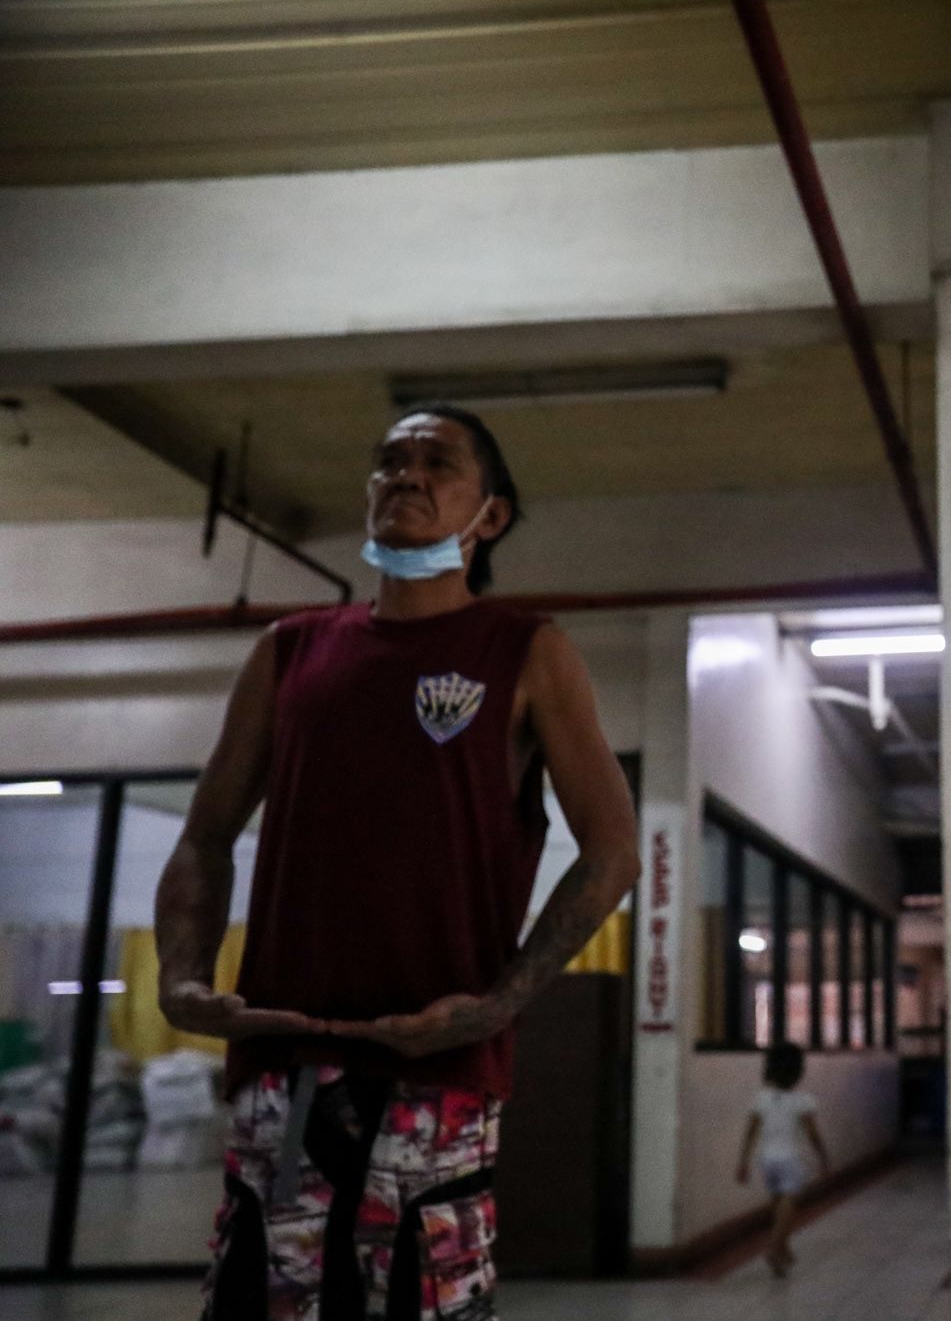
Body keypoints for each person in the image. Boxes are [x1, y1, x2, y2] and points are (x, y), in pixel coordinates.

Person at [154, 404, 640, 1320]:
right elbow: (205, 834)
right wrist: (181, 974)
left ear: (487, 515)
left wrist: (499, 1002)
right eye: (389, 461)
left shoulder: (526, 650)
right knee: (269, 1298)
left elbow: (613, 852)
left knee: (424, 1302)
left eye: (436, 462)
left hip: (437, 1065)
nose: (405, 476)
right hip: (281, 1058)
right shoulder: (290, 650)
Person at [735, 1041, 830, 1278]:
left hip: (766, 1159)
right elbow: (813, 1134)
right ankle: (775, 1247)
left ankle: (783, 1251)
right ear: (798, 1071)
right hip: (790, 1159)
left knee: (778, 1205)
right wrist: (823, 1156)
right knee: (790, 1201)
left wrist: (743, 1162)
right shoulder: (803, 1100)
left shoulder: (761, 1099)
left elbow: (750, 1132)